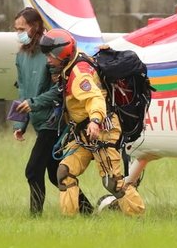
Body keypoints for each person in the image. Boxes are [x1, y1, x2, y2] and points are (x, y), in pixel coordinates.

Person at [39, 28, 145, 217]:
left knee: (113, 183)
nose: (48, 59)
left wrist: (95, 121)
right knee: (64, 172)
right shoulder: (72, 63)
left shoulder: (79, 74)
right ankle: (69, 221)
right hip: (83, 133)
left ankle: (138, 217)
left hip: (101, 130)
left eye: (50, 55)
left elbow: (95, 98)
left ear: (61, 54)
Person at [12, 8, 92, 216]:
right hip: (39, 120)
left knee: (32, 170)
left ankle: (35, 217)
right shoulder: (21, 56)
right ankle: (87, 210)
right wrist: (20, 124)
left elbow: (60, 90)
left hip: (54, 121)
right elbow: (22, 89)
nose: (18, 32)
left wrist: (35, 103)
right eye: (16, 29)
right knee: (54, 173)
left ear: (36, 27)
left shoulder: (50, 55)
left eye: (22, 28)